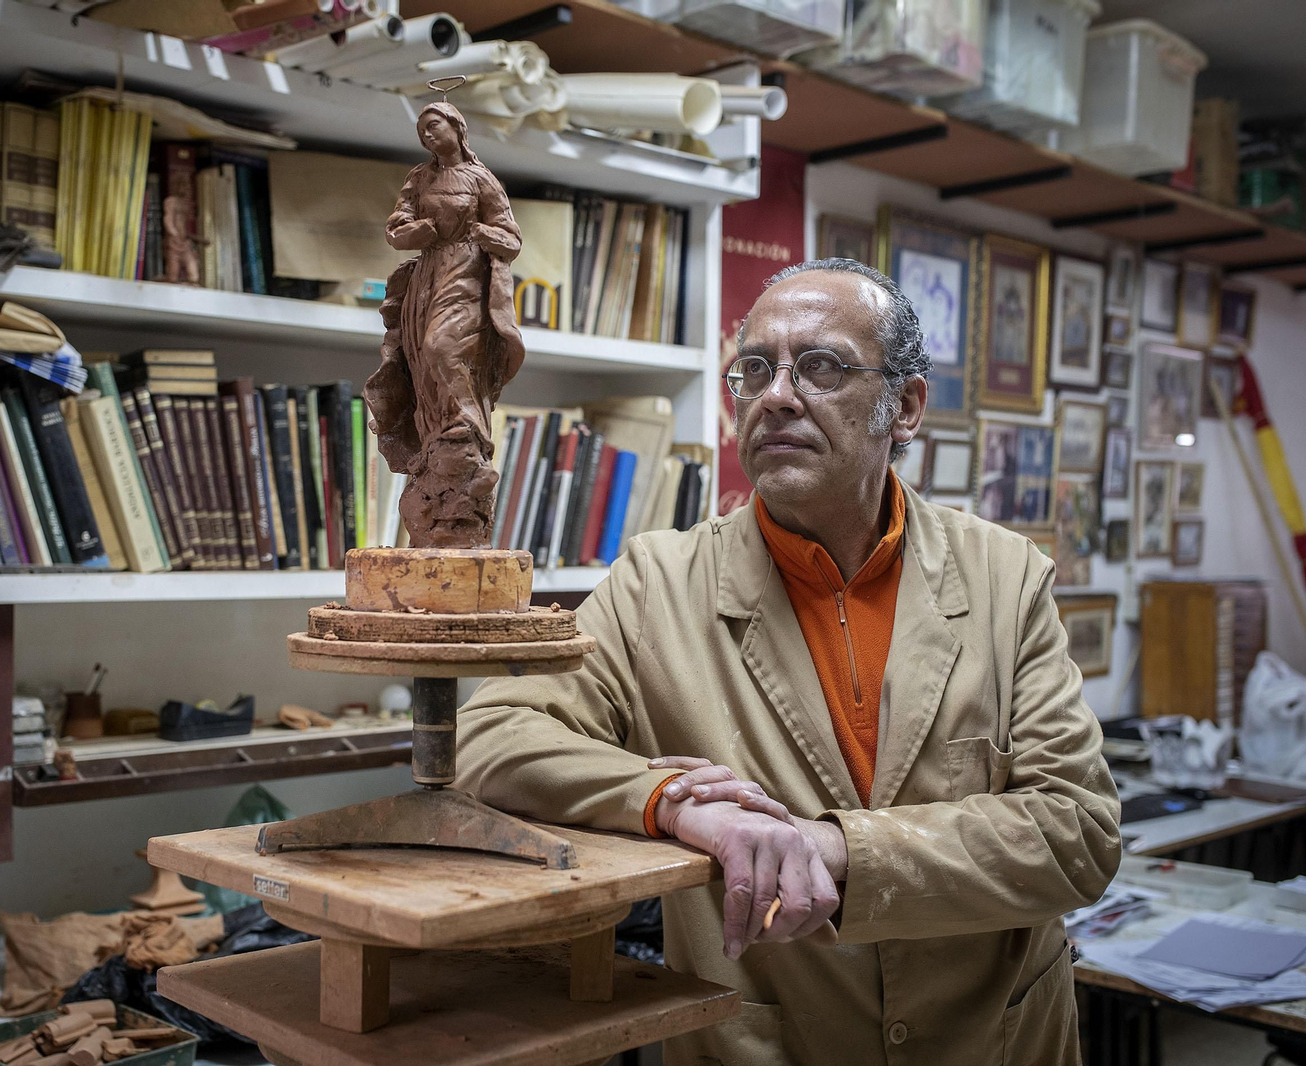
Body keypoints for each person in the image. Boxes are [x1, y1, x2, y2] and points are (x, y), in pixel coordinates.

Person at [456, 258, 1121, 1065]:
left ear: (906, 407)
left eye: (821, 366)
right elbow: (489, 737)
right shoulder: (657, 582)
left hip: (994, 1042)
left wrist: (836, 849)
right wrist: (672, 802)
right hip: (769, 1042)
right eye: (754, 370)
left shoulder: (1005, 577)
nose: (775, 395)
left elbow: (1078, 832)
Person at [364, 101, 526, 549]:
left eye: (434, 126)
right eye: (422, 131)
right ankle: (439, 446)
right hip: (429, 276)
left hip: (468, 274)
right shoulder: (419, 178)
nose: (428, 136)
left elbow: (510, 237)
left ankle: (467, 429)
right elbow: (397, 227)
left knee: (442, 347)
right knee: (422, 366)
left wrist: (484, 235)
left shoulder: (481, 178)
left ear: (457, 128)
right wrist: (418, 232)